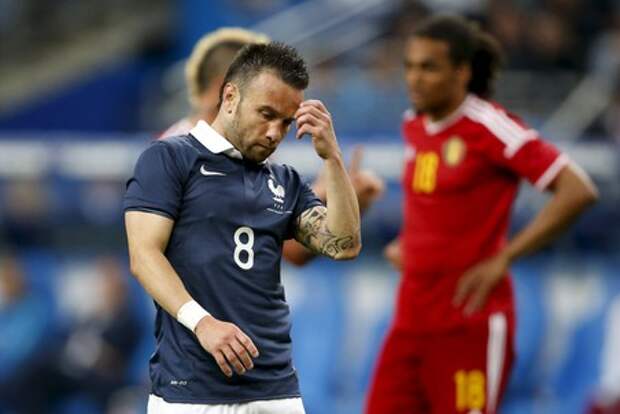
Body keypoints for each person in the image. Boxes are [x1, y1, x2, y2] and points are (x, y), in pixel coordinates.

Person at [366, 15, 599, 414]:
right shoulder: (414, 124)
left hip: (469, 323)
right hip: (410, 321)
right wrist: (410, 243)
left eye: (428, 67)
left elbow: (578, 190)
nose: (414, 79)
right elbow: (436, 202)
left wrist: (505, 257)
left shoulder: (489, 126)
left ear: (462, 72)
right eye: (410, 66)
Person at [124, 42, 361, 413]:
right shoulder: (170, 158)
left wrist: (332, 157)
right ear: (230, 96)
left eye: (286, 122)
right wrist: (202, 323)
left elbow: (344, 245)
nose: (274, 132)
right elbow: (144, 255)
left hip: (277, 391)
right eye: (266, 114)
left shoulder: (285, 181)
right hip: (191, 392)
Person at [161, 27, 384, 267]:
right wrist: (320, 193)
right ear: (227, 90)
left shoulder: (251, 150)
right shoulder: (173, 153)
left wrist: (348, 202)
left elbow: (290, 250)